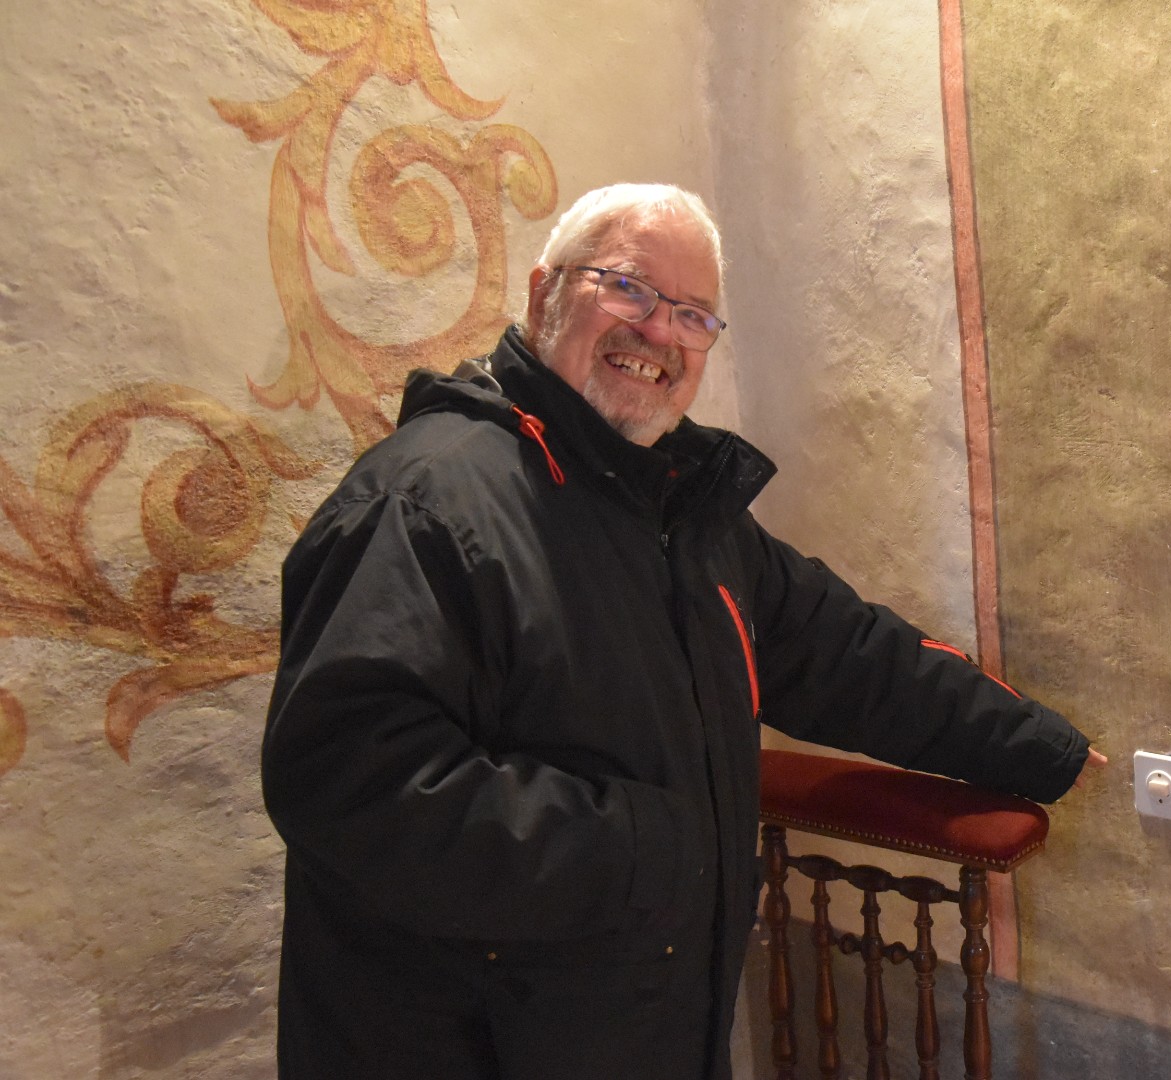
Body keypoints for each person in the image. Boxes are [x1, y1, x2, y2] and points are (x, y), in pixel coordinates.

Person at [261, 183, 1103, 1079]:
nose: (659, 332)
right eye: (627, 288)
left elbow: (847, 653)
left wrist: (1037, 747)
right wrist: (654, 849)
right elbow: (351, 783)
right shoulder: (426, 498)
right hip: (465, 1039)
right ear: (546, 294)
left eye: (694, 315)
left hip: (638, 1021)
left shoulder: (678, 514)